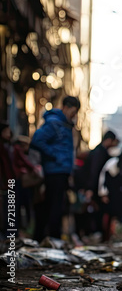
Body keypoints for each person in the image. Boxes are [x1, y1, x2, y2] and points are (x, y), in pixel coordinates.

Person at [30, 96, 80, 241]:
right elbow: (37, 140)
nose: (74, 115)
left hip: (61, 171)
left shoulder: (65, 125)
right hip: (54, 171)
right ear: (66, 107)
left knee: (53, 206)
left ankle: (44, 238)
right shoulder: (54, 123)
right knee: (54, 207)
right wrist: (55, 156)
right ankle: (52, 238)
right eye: (73, 111)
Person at [79, 130, 119, 236]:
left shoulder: (100, 151)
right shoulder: (99, 152)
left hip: (94, 187)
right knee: (93, 211)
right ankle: (91, 233)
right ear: (109, 140)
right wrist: (90, 189)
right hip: (94, 188)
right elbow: (94, 171)